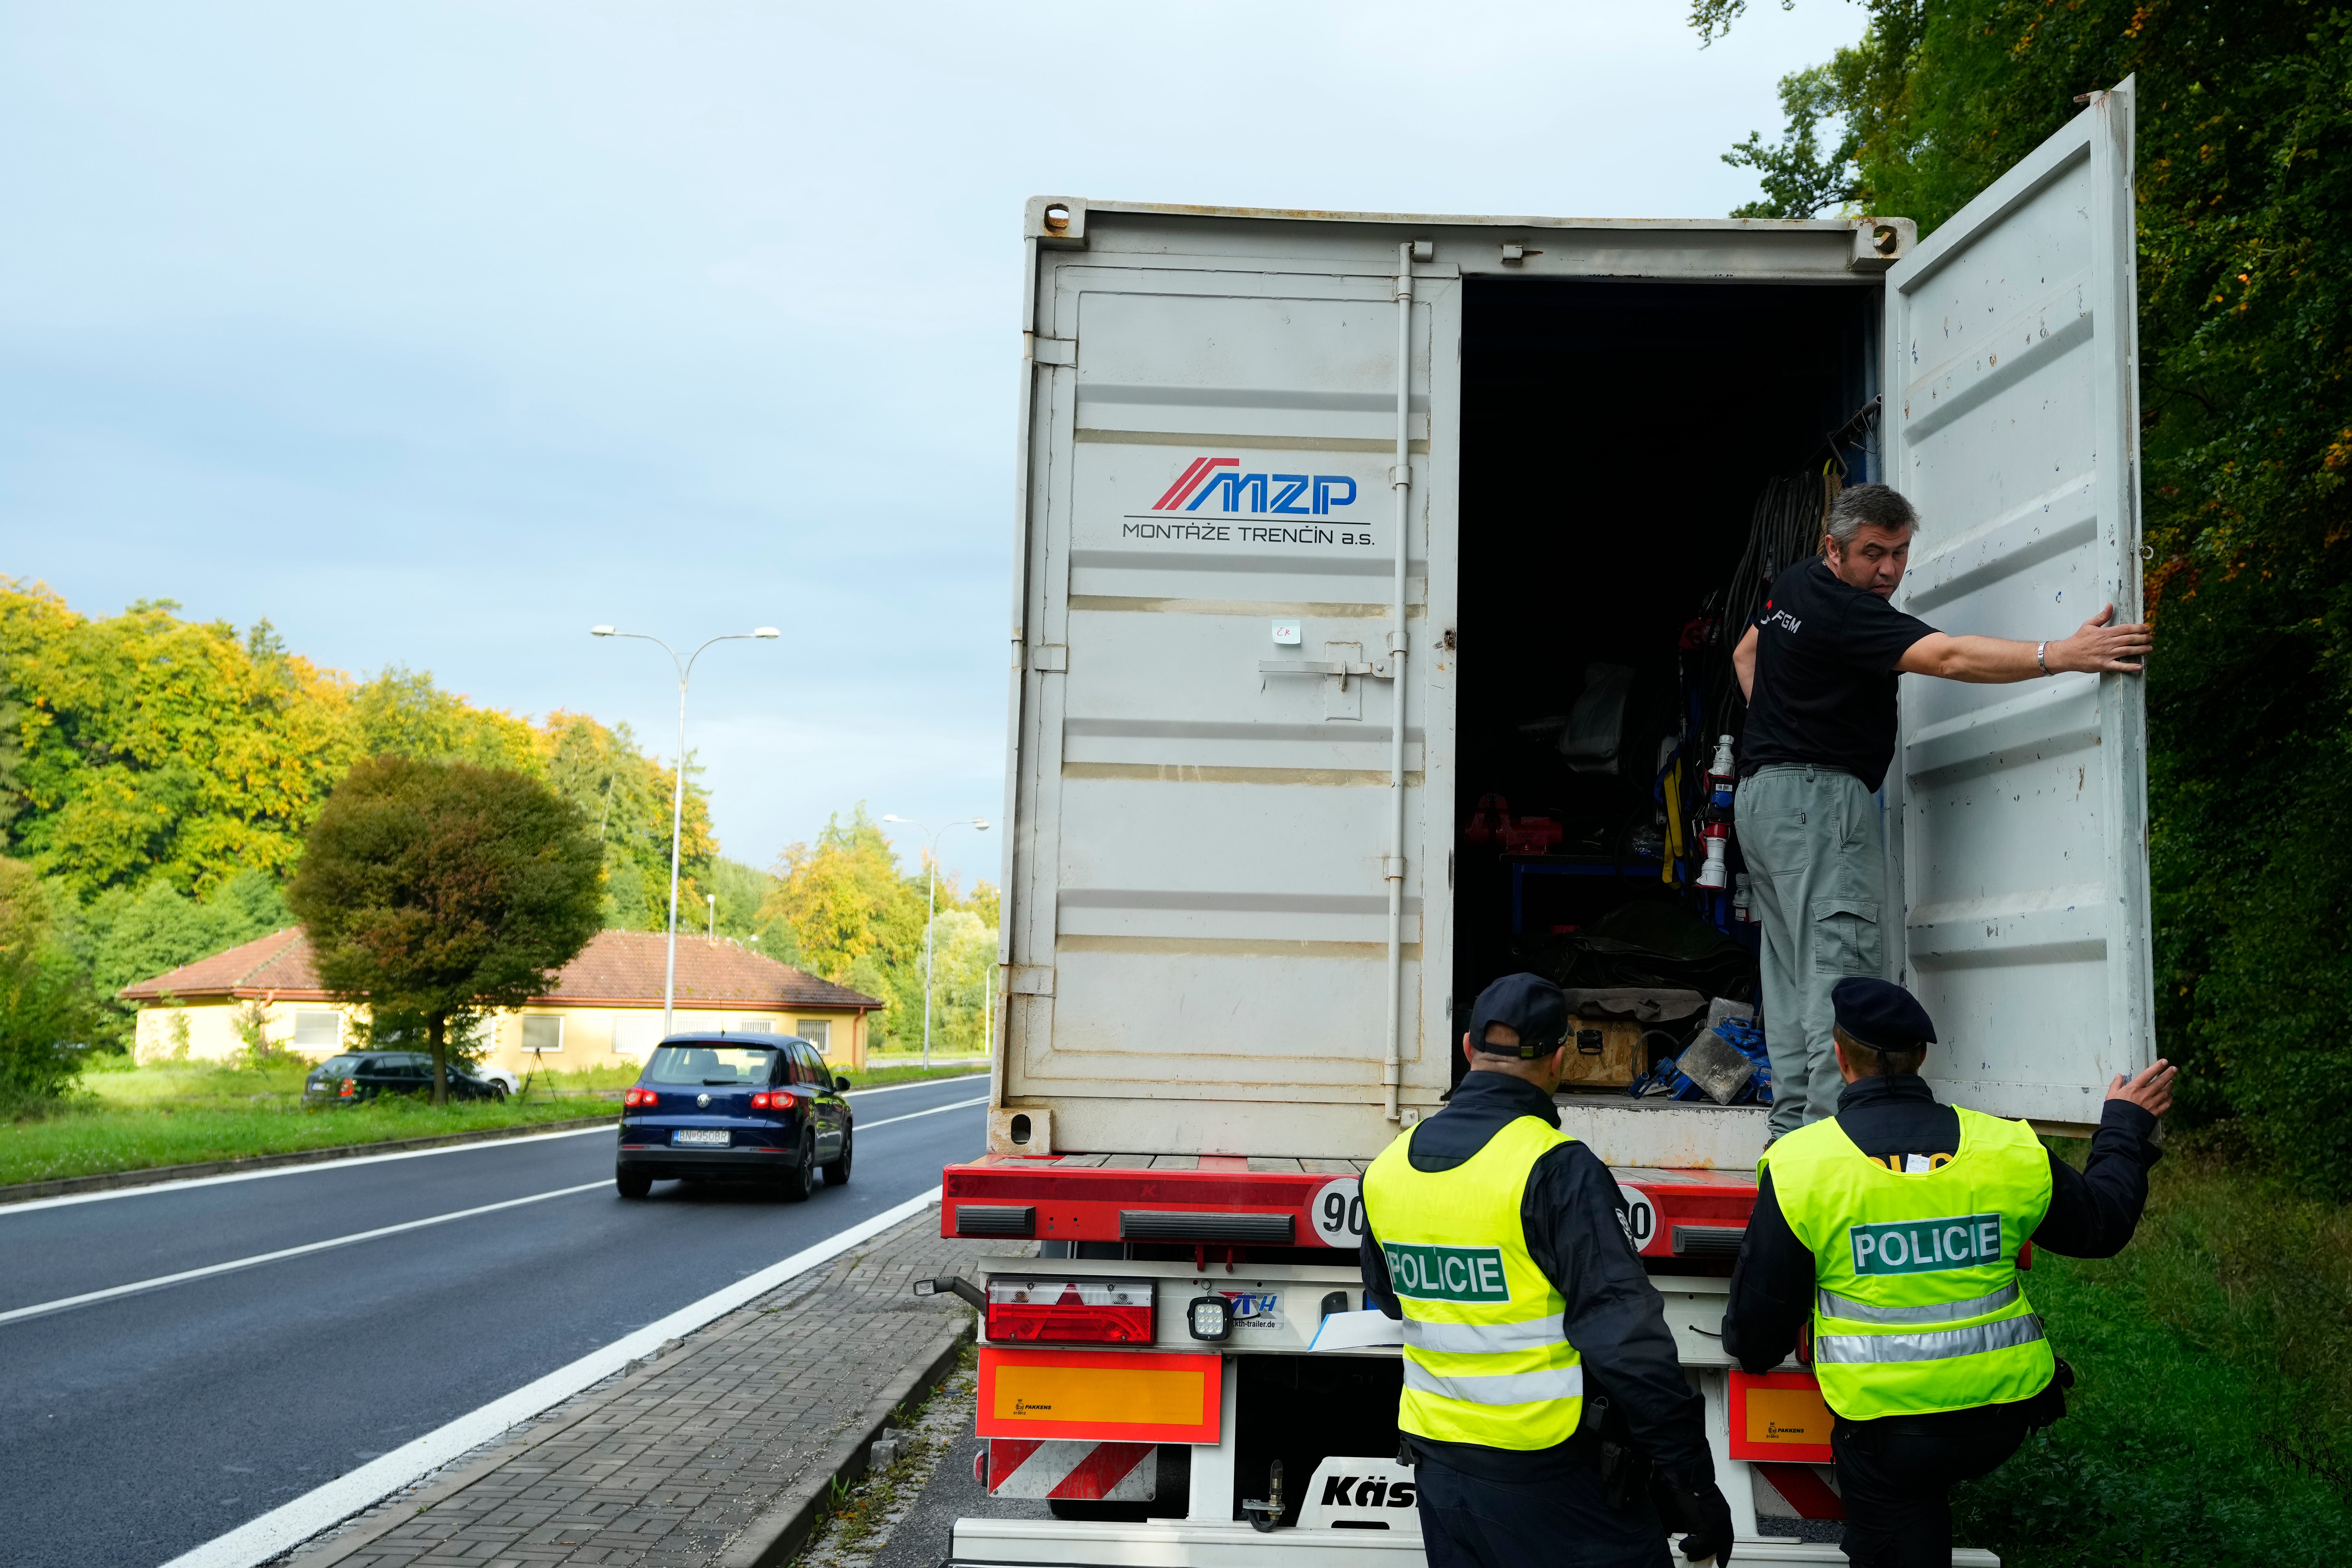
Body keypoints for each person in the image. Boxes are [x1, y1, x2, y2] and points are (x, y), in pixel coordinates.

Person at [1730, 482, 2153, 1134]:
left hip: (1764, 801)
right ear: (1834, 550)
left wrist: (1783, 723)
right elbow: (1950, 656)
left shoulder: (1793, 586)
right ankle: (1822, 1144)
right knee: (1838, 979)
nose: (1890, 571)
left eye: (1900, 554)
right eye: (1874, 554)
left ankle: (1788, 1143)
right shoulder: (1850, 612)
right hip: (1819, 802)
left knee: (1791, 979)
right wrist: (2060, 655)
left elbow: (1746, 654)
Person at [1720, 977, 2174, 1567]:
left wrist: (1750, 1351)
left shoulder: (1802, 1166)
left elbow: (1760, 1329)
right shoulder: (2006, 1147)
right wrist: (2122, 1125)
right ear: (1923, 1057)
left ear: (1839, 1057)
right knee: (1919, 1498)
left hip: (1890, 1435)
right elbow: (2103, 1225)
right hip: (2003, 1418)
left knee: (1901, 1510)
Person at [1360, 973, 1736, 1568]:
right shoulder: (1557, 1170)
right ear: (1560, 1059)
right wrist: (1692, 1483)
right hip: (1551, 1478)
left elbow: (1389, 1299)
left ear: (1466, 1050)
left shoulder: (1387, 1169)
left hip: (1442, 1471)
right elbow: (1630, 1348)